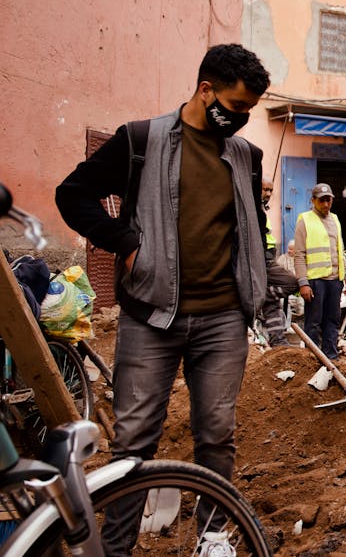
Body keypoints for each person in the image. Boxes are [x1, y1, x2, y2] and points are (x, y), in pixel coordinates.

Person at [56, 43, 270, 555]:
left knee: (216, 436)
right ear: (206, 90)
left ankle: (212, 538)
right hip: (150, 316)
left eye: (249, 110)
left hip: (222, 319)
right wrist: (126, 243)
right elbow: (72, 194)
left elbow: (250, 229)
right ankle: (118, 548)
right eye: (236, 106)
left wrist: (261, 282)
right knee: (133, 442)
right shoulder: (141, 140)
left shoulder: (245, 156)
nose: (241, 118)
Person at [293, 183, 346, 360]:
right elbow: (299, 254)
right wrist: (303, 283)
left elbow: (340, 250)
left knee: (332, 321)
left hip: (335, 280)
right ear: (313, 201)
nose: (326, 204)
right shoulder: (304, 220)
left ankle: (331, 358)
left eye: (328, 200)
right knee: (313, 323)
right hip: (315, 282)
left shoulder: (335, 219)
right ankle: (312, 359)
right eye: (321, 201)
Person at [257, 179, 292, 347]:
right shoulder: (254, 208)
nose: (269, 193)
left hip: (269, 257)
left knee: (272, 304)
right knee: (292, 282)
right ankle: (260, 295)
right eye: (265, 189)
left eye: (271, 190)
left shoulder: (263, 208)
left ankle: (278, 341)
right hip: (262, 260)